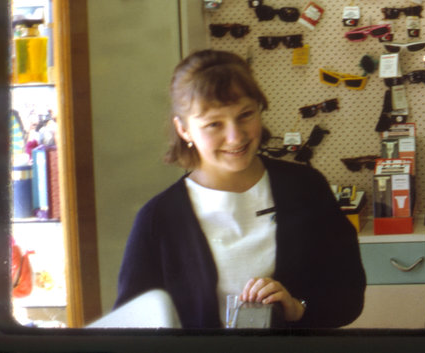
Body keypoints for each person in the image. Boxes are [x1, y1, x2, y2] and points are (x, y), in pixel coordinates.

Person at [115, 49, 365, 328]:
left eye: (245, 115)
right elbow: (132, 328)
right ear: (183, 129)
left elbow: (349, 297)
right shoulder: (157, 219)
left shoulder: (307, 188)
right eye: (214, 124)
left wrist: (298, 308)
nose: (235, 137)